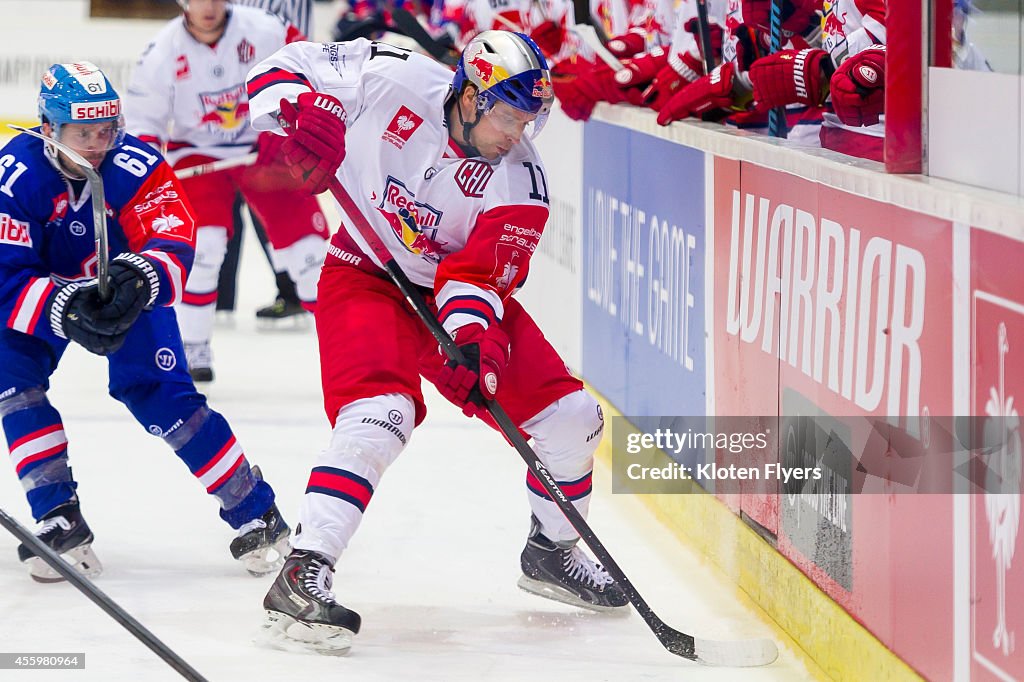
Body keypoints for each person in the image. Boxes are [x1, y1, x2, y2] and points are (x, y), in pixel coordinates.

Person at [245, 30, 628, 654]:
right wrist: (303, 114)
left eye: (529, 119)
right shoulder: (392, 75)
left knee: (574, 419)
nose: (517, 133)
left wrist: (473, 343)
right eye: (507, 115)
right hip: (363, 272)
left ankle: (552, 550)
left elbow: (476, 279)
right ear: (470, 96)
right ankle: (304, 567)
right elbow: (279, 66)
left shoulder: (521, 183)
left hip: (446, 298)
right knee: (380, 415)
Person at [0, 62, 291, 582]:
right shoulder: (13, 176)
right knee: (11, 383)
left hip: (125, 295)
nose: (96, 144)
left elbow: (173, 234)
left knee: (167, 401)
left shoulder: (135, 163)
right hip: (44, 292)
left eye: (104, 130)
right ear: (48, 128)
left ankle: (256, 512)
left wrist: (142, 279)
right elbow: (5, 274)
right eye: (81, 132)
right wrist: (63, 307)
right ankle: (59, 516)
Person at [123, 0, 330, 381]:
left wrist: (287, 120)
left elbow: (312, 69)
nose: (209, 6)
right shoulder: (161, 51)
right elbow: (142, 124)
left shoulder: (266, 28)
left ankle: (341, 348)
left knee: (312, 256)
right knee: (202, 249)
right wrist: (149, 175)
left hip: (264, 147)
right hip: (197, 154)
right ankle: (193, 347)